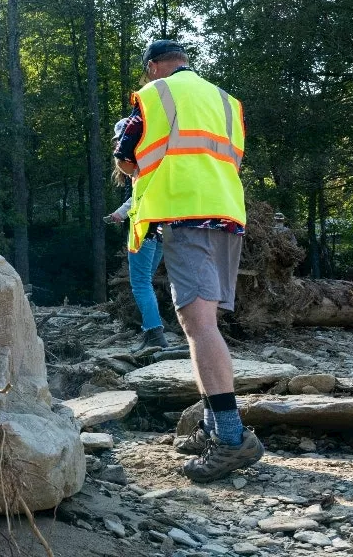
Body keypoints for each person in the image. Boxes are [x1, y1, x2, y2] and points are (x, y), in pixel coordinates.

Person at [113, 39, 262, 483]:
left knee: (199, 326)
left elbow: (128, 161)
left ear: (154, 67)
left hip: (185, 213)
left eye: (147, 72)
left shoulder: (156, 95)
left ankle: (231, 439)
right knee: (205, 322)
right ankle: (214, 425)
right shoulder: (224, 100)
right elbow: (229, 158)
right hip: (226, 215)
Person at [104, 119, 169, 354]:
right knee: (146, 284)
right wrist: (120, 213)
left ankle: (155, 334)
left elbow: (140, 199)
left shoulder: (140, 167)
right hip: (160, 232)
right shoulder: (155, 163)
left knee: (140, 285)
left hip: (144, 232)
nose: (117, 148)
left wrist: (123, 213)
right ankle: (152, 332)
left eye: (119, 142)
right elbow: (140, 198)